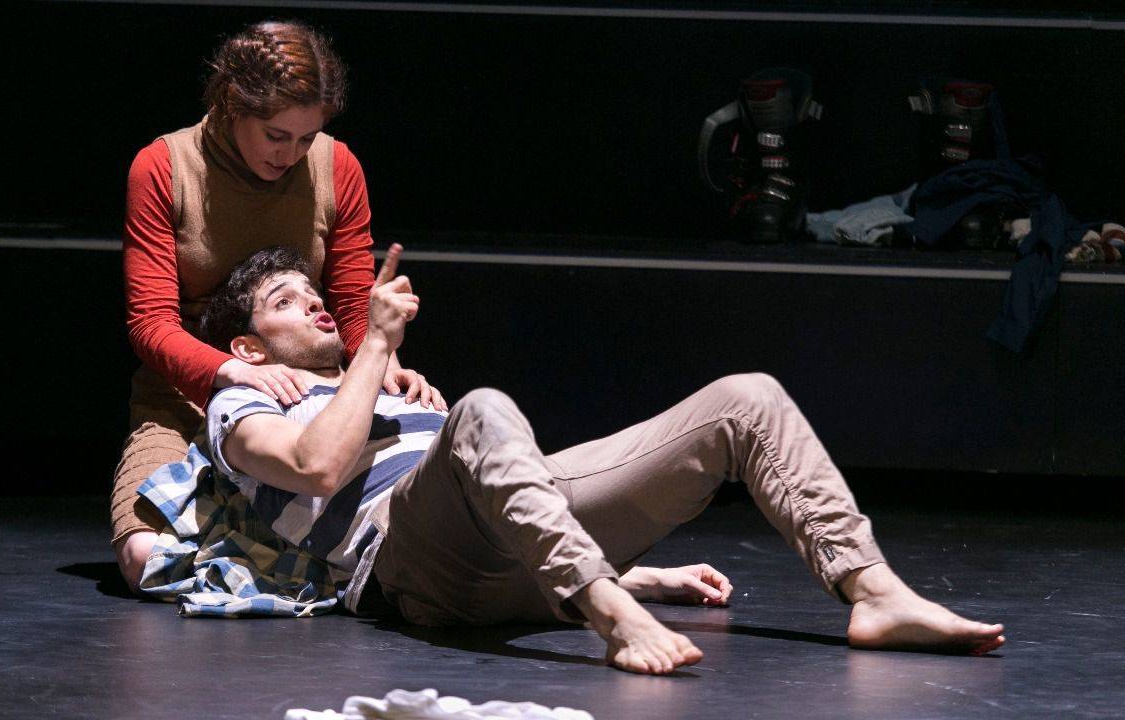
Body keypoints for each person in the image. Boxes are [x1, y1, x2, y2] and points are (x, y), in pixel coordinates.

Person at [179, 243, 1005, 675]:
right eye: (284, 301)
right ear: (246, 346)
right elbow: (319, 470)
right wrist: (377, 345)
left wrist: (645, 572)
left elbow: (514, 494)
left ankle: (873, 593)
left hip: (525, 566)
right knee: (483, 408)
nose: (315, 304)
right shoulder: (241, 403)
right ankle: (610, 617)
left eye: (314, 292)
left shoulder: (388, 385)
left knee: (745, 398)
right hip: (417, 567)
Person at [112, 21, 446, 589]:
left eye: (306, 138)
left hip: (305, 395)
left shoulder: (338, 167)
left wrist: (384, 362)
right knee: (145, 557)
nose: (291, 154)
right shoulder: (164, 166)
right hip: (184, 397)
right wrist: (232, 370)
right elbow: (150, 321)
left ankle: (291, 548)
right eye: (276, 135)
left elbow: (350, 302)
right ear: (231, 102)